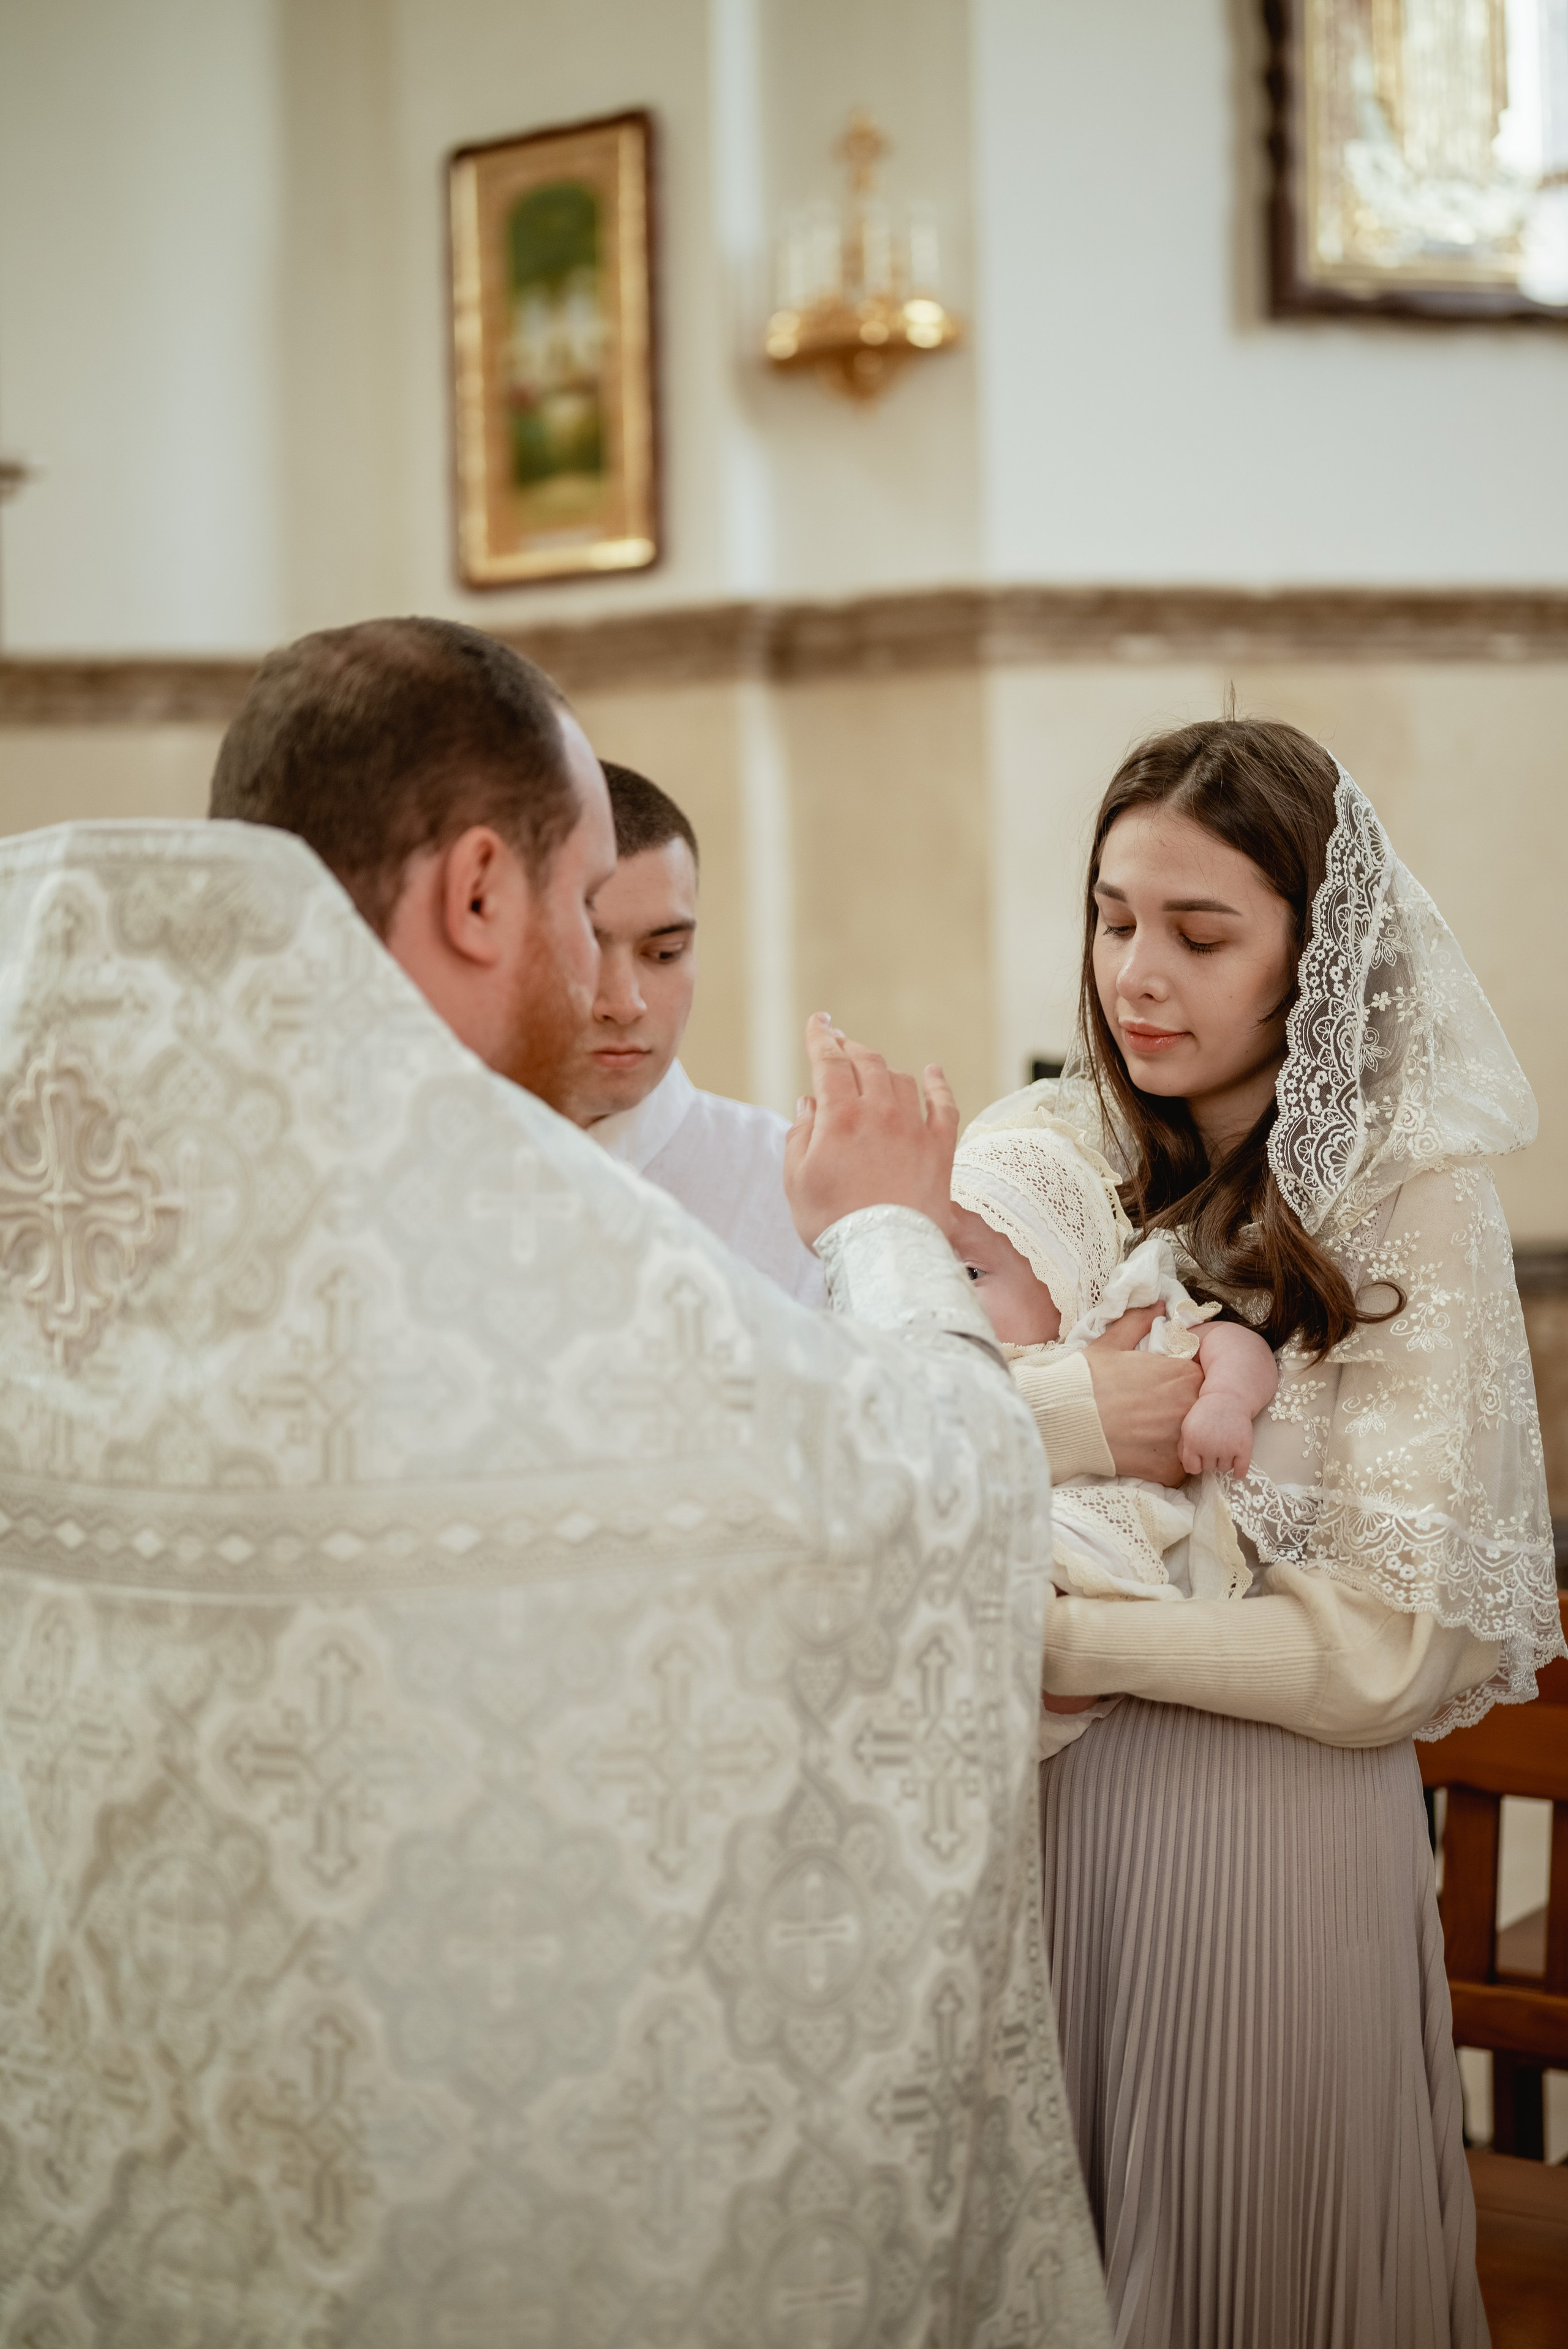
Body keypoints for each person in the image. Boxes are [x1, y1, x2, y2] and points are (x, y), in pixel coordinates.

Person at [0, 617, 1112, 2341]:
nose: (607, 982)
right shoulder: (545, 1253)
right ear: (475, 891)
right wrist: (890, 1235)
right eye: (586, 906)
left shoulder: (72, 1193)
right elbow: (923, 1500)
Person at [1001, 717, 1561, 2348]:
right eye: (1113, 918)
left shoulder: (1411, 1196)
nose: (1136, 975)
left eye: (1199, 933)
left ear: (1317, 956)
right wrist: (1073, 1413)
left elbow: (1390, 1648)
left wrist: (1049, 1631)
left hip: (1266, 1842)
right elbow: (896, 1410)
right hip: (1045, 1837)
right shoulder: (1052, 1155)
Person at [949, 1111, 1278, 1641]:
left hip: (1095, 1521)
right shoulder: (936, 1362)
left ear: (1064, 1273)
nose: (942, 1291)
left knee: (1033, 1563)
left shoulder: (1120, 1317)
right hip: (977, 1521)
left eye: (970, 1272)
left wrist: (1226, 1399)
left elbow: (1233, 1343)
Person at [558, 760, 825, 1305]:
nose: (625, 1003)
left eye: (665, 953)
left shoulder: (798, 1193)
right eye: (583, 950)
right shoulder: (417, 1165)